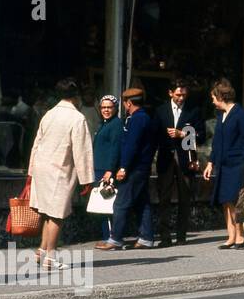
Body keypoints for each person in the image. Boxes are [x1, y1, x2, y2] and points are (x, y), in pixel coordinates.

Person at [26, 79, 94, 271]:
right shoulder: (77, 118)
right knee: (57, 214)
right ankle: (50, 256)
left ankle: (41, 250)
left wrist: (31, 171)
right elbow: (82, 151)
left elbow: (36, 143)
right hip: (60, 169)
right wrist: (87, 179)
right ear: (76, 97)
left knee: (48, 212)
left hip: (42, 168)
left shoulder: (48, 114)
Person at [100, 88, 157, 251]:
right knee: (142, 202)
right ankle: (146, 237)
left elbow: (131, 145)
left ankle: (115, 239)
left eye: (125, 102)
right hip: (141, 167)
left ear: (129, 102)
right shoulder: (144, 117)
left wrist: (123, 167)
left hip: (134, 168)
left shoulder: (137, 119)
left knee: (121, 204)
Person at [202, 79, 244, 249]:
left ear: (220, 97)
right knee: (225, 200)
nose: (212, 101)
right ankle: (231, 236)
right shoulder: (221, 115)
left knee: (235, 201)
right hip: (223, 165)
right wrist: (210, 162)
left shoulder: (241, 114)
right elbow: (217, 141)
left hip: (237, 164)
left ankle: (240, 235)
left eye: (213, 97)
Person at [154, 80, 204, 246]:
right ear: (170, 93)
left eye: (183, 94)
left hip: (186, 158)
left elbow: (202, 135)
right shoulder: (161, 111)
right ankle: (165, 237)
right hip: (165, 158)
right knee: (164, 198)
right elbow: (154, 136)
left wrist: (183, 134)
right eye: (178, 94)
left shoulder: (194, 111)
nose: (181, 97)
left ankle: (181, 235)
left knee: (185, 198)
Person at [91, 93, 123, 244]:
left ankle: (110, 237)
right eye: (103, 107)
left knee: (107, 204)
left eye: (109, 107)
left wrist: (110, 169)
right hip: (99, 168)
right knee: (101, 204)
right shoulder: (104, 123)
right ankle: (106, 236)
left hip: (105, 169)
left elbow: (115, 148)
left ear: (115, 108)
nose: (106, 110)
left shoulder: (115, 124)